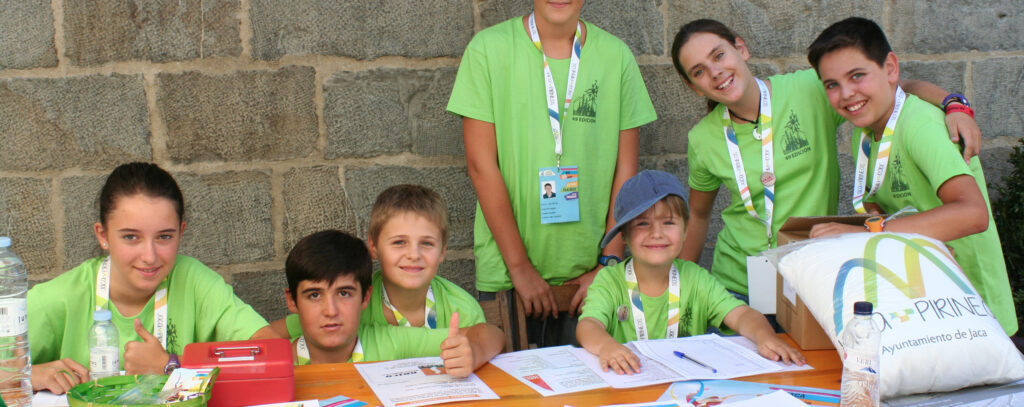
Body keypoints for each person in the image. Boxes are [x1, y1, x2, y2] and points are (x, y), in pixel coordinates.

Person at [671, 19, 983, 299]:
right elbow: (698, 216)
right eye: (699, 71)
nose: (715, 72)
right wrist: (679, 291)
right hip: (738, 283)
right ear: (693, 87)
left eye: (719, 55)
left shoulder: (807, 88)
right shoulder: (702, 138)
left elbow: (894, 88)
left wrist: (954, 104)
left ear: (741, 48)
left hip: (811, 273)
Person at [447, 0, 657, 347]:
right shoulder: (488, 49)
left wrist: (609, 263)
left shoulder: (615, 56)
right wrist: (520, 269)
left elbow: (627, 170)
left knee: (592, 393)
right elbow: (480, 166)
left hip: (592, 276)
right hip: (508, 276)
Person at [806, 17, 1017, 335]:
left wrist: (871, 231)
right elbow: (888, 204)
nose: (846, 93)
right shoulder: (863, 133)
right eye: (832, 84)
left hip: (976, 311)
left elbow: (973, 213)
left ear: (890, 68)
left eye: (857, 76)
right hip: (927, 304)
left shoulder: (920, 126)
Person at [27, 162, 277, 394]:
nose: (150, 256)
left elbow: (273, 354)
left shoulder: (196, 283)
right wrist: (26, 375)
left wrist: (171, 366)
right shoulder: (62, 296)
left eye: (164, 237)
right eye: (130, 237)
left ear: (181, 232)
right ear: (103, 235)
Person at [577, 170, 804, 375]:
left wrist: (764, 336)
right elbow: (588, 325)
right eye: (642, 224)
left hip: (687, 388)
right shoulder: (609, 281)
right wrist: (607, 346)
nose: (657, 234)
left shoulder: (696, 278)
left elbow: (743, 315)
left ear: (686, 230)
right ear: (624, 235)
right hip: (627, 384)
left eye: (668, 222)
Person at [283, 230, 503, 378]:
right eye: (314, 295)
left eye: (344, 293)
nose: (330, 311)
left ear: (366, 297)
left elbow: (491, 333)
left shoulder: (388, 342)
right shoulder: (278, 361)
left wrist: (473, 351)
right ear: (292, 301)